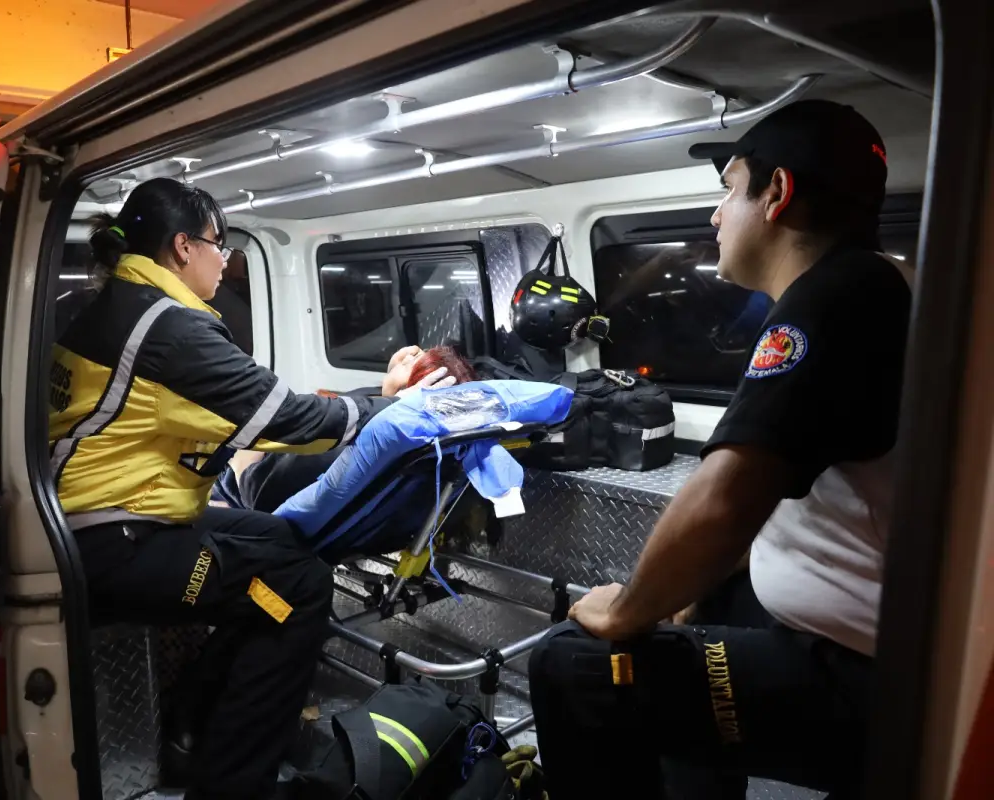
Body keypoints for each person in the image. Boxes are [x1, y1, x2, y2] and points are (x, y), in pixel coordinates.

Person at [528, 98, 911, 798]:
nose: (715, 216)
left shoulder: (837, 295)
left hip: (868, 676)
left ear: (777, 193)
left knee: (575, 664)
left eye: (729, 190)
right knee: (697, 603)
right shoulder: (873, 287)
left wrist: (624, 613)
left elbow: (729, 496)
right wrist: (681, 591)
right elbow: (774, 491)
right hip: (854, 629)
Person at [47, 177, 454, 800]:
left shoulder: (114, 306)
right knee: (296, 590)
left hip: (110, 518)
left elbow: (235, 412)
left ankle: (194, 728)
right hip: (115, 543)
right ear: (183, 247)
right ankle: (231, 783)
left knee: (283, 537)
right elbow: (286, 419)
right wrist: (388, 405)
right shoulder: (168, 327)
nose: (227, 258)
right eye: (221, 243)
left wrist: (365, 403)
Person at [216, 344, 478, 514]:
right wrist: (394, 378)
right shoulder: (395, 420)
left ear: (409, 391)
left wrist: (243, 459)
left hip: (230, 489)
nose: (409, 353)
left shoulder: (361, 441)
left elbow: (258, 493)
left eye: (413, 362)